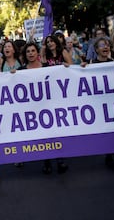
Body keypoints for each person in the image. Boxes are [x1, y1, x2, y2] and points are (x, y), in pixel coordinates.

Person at [90, 37, 114, 169]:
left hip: (113, 103)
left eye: (107, 45)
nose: (105, 48)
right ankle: (109, 155)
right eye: (102, 45)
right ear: (96, 49)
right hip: (100, 104)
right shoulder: (91, 65)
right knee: (106, 130)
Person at [39, 35, 71, 174]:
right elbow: (42, 68)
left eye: (52, 41)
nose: (50, 43)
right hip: (46, 95)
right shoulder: (44, 55)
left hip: (60, 94)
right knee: (46, 128)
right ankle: (46, 160)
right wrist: (42, 49)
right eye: (48, 42)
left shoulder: (63, 52)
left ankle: (59, 159)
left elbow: (71, 67)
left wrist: (65, 66)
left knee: (56, 127)